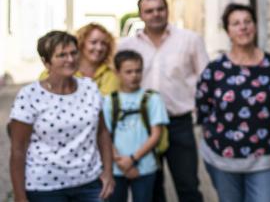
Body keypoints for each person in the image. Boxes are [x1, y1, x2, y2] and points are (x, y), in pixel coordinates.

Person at [196, 4, 270, 202]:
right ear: (228, 31)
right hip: (223, 158)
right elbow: (203, 108)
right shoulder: (214, 69)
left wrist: (265, 130)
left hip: (266, 156)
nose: (243, 27)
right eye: (236, 23)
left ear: (255, 26)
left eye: (248, 22)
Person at [117, 0, 209, 202]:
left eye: (160, 9)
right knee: (151, 188)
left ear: (167, 10)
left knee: (188, 186)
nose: (155, 14)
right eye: (149, 11)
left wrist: (198, 112)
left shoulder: (190, 40)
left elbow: (206, 80)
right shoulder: (127, 46)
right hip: (143, 126)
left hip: (179, 123)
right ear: (141, 15)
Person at [9, 31, 115, 202]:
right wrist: (20, 196)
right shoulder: (29, 95)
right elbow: (18, 149)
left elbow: (102, 133)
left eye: (74, 53)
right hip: (45, 187)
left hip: (89, 183)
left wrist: (108, 173)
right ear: (46, 62)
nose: (70, 59)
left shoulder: (90, 88)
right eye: (62, 55)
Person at [104, 50, 168, 202]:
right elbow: (104, 135)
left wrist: (132, 160)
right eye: (128, 72)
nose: (134, 75)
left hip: (145, 167)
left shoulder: (153, 98)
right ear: (117, 72)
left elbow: (156, 135)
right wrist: (121, 162)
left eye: (138, 71)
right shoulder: (109, 101)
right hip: (115, 168)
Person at [38, 23, 119, 94]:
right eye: (93, 42)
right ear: (81, 43)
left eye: (104, 43)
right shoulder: (53, 72)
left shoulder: (112, 74)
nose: (99, 48)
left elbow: (106, 106)